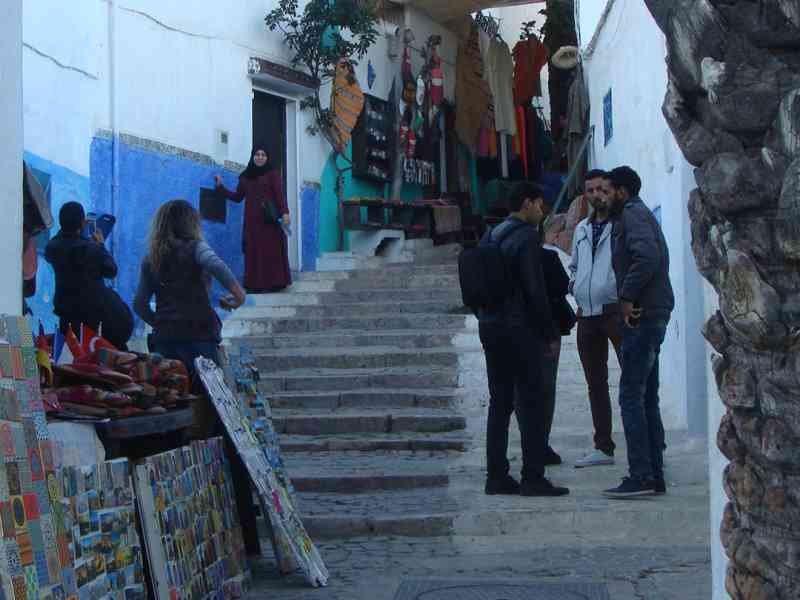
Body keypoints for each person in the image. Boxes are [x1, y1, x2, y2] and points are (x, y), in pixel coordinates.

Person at [132, 200, 260, 553]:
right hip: (202, 344)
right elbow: (215, 264)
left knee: (176, 419)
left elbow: (139, 304)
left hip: (167, 348)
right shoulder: (196, 248)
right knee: (218, 422)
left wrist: (161, 322)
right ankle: (238, 520)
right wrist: (237, 293)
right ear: (190, 223)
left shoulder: (152, 259)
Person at [478, 182, 569, 497]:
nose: (543, 211)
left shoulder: (491, 234)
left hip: (491, 328)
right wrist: (549, 333)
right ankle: (533, 476)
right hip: (519, 331)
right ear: (527, 203)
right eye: (540, 205)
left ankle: (496, 475)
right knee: (532, 403)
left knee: (500, 403)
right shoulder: (526, 237)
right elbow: (535, 290)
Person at [601, 166, 674, 498]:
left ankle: (641, 476)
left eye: (608, 190)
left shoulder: (632, 215)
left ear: (623, 192)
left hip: (643, 315)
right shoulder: (636, 215)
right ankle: (653, 475)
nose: (603, 197)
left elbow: (647, 257)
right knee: (645, 396)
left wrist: (627, 297)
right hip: (653, 312)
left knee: (631, 395)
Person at [569, 169, 622, 468]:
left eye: (601, 189)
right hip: (586, 316)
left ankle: (651, 447)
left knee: (633, 380)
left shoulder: (621, 226)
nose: (596, 195)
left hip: (614, 311)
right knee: (595, 383)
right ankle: (603, 447)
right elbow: (575, 266)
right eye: (590, 190)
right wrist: (575, 286)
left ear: (611, 191)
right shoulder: (581, 230)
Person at [45, 202, 133, 349]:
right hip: (97, 319)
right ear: (82, 222)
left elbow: (65, 245)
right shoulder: (91, 249)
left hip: (68, 315)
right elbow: (111, 271)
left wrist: (79, 235)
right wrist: (100, 245)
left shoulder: (52, 248)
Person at [214, 147, 291, 293]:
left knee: (270, 251)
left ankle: (274, 284)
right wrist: (220, 188)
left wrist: (285, 212)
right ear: (252, 156)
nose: (260, 157)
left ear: (267, 158)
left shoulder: (272, 174)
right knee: (254, 251)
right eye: (257, 154)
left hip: (269, 222)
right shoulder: (245, 176)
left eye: (263, 155)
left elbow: (279, 195)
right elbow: (237, 197)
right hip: (252, 222)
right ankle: (256, 285)